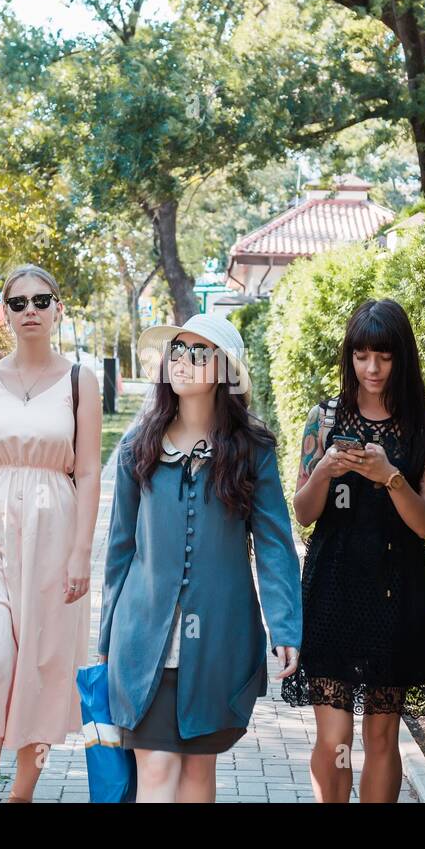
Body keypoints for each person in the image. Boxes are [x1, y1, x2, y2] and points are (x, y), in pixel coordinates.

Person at [98, 313, 302, 802]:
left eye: (199, 353)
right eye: (178, 352)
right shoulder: (138, 446)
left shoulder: (252, 451)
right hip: (143, 639)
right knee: (157, 773)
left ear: (225, 370)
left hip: (218, 640)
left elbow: (274, 544)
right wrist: (107, 636)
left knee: (196, 776)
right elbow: (120, 548)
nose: (184, 363)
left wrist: (286, 626)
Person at [0, 264, 102, 803]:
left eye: (41, 300)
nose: (30, 310)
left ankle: (21, 795)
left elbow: (92, 471)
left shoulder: (81, 380)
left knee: (43, 664)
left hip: (54, 533)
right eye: (18, 302)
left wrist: (81, 553)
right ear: (3, 313)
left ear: (58, 309)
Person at [281, 298, 425, 803]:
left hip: (395, 593)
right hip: (332, 589)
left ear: (403, 357)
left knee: (381, 737)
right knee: (334, 739)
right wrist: (327, 470)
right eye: (360, 356)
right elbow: (304, 512)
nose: (372, 368)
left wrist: (389, 477)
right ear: (348, 357)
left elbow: (424, 524)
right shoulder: (325, 416)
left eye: (384, 356)